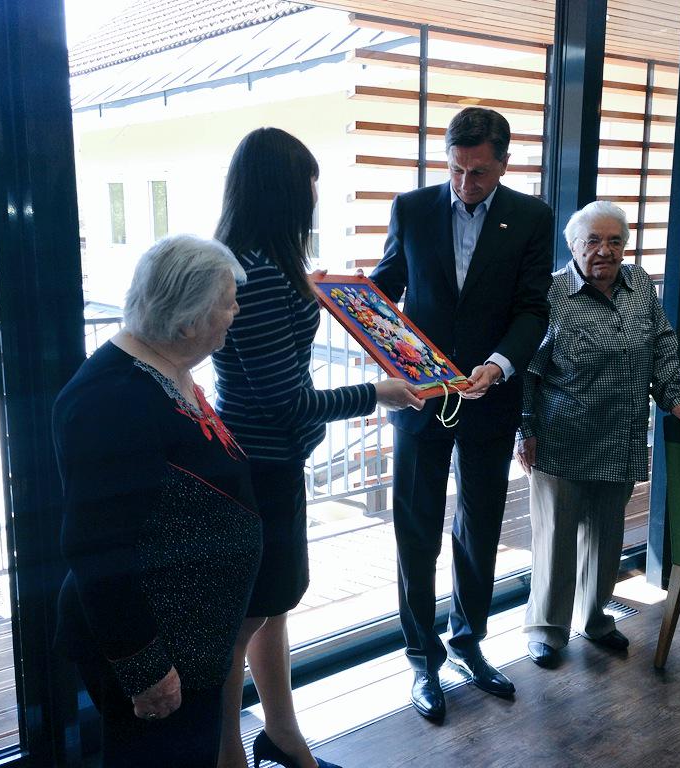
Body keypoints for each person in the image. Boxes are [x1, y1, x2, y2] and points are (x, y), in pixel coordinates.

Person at [212, 127, 423, 768]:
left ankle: (282, 737)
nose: (313, 197)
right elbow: (289, 402)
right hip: (261, 467)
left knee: (271, 608)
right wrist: (378, 393)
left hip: (262, 459)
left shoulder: (249, 263)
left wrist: (319, 293)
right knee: (242, 625)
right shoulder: (261, 277)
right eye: (308, 183)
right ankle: (229, 758)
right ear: (284, 191)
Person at [369, 107, 553, 721]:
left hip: (488, 398)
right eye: (455, 169)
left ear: (503, 163)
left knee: (479, 529)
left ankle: (467, 643)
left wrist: (499, 365)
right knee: (416, 532)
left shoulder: (532, 217)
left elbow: (533, 309)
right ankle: (421, 660)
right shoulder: (412, 208)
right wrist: (349, 302)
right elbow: (385, 290)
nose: (464, 183)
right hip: (422, 402)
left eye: (478, 172)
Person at [53, 234, 262, 768]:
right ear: (187, 321)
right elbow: (96, 549)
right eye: (227, 302)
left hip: (190, 641)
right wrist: (145, 667)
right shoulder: (111, 402)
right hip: (156, 649)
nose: (236, 312)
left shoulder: (165, 366)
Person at [516, 200, 680, 668]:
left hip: (620, 435)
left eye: (614, 241)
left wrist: (675, 397)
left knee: (606, 537)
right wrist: (525, 429)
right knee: (556, 539)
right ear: (573, 246)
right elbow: (527, 371)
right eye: (593, 241)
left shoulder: (639, 284)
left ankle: (596, 617)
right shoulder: (550, 294)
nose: (605, 250)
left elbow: (662, 345)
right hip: (561, 438)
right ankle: (546, 629)